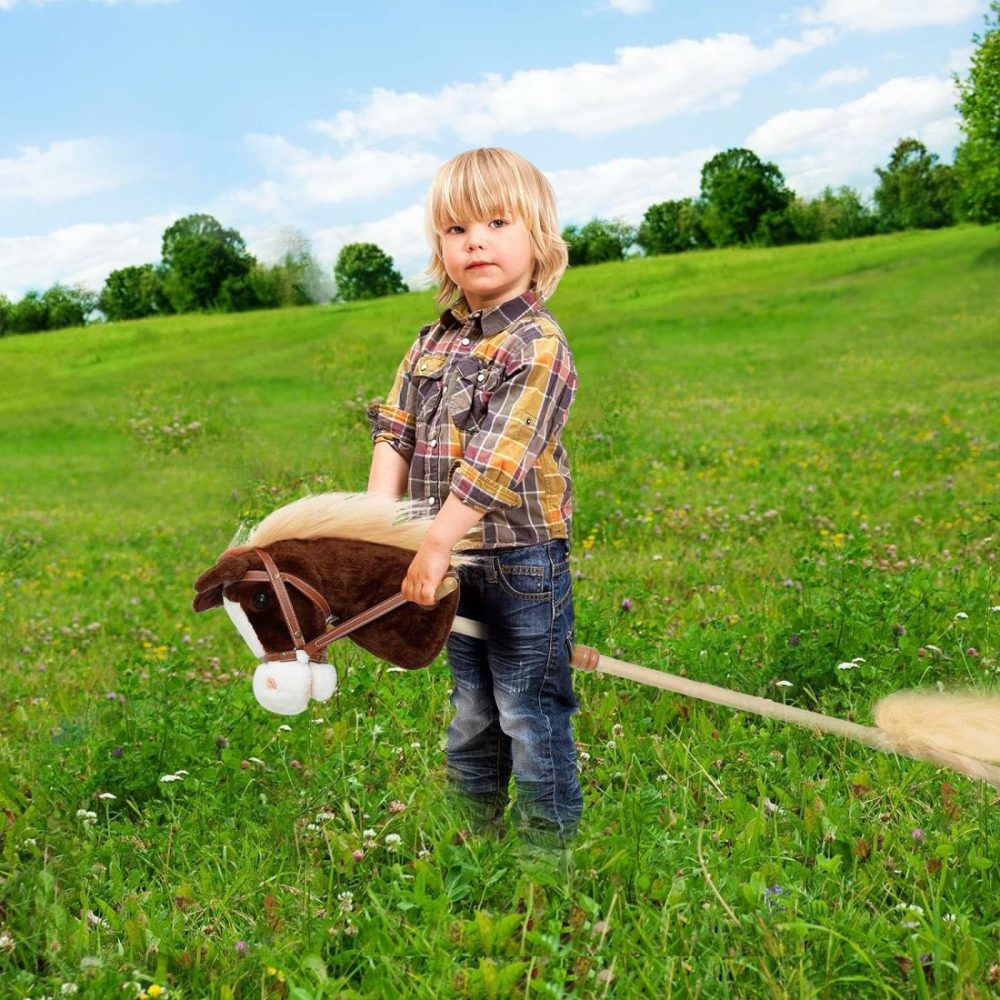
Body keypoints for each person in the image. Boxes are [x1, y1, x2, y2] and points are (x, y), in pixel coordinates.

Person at [366, 147, 582, 848]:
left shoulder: (538, 343)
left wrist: (432, 541)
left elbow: (496, 465)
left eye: (495, 221)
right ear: (441, 250)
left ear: (537, 235)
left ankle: (548, 856)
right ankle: (476, 847)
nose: (475, 241)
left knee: (528, 710)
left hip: (519, 562)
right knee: (471, 712)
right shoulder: (430, 342)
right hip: (449, 563)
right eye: (457, 229)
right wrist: (380, 531)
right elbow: (393, 433)